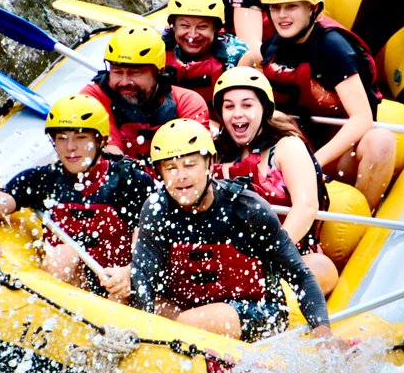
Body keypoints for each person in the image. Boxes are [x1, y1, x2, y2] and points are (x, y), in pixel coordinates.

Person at [130, 118, 334, 342]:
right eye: (171, 168)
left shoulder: (248, 208)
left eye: (190, 164)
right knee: (126, 300)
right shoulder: (156, 209)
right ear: (160, 173)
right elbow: (143, 279)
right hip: (189, 307)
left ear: (209, 165)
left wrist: (323, 336)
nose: (181, 177)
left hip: (257, 310)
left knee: (193, 322)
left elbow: (300, 276)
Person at [0, 94, 152, 301]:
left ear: (101, 141)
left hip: (120, 289)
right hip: (67, 288)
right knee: (64, 255)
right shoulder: (42, 180)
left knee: (118, 285)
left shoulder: (131, 182)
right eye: (62, 138)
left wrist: (126, 273)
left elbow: (149, 250)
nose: (70, 147)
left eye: (80, 137)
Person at [259, 0, 397, 211]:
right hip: (295, 145)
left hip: (337, 153)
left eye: (291, 6)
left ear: (313, 9)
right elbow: (250, 62)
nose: (281, 15)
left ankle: (364, 214)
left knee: (381, 141)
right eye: (276, 7)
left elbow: (362, 119)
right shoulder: (273, 46)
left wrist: (312, 162)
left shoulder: (332, 48)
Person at [212, 67, 338, 296]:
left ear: (264, 109)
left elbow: (306, 207)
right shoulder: (215, 154)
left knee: (320, 267)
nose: (237, 113)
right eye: (229, 106)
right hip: (231, 259)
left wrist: (268, 257)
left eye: (247, 105)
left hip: (287, 253)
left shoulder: (286, 146)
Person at [80, 27, 210, 161]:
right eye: (117, 72)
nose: (125, 82)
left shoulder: (187, 102)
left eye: (135, 73)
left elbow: (194, 163)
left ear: (158, 71)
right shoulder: (92, 99)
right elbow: (111, 156)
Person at [161, 0, 248, 106]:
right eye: (184, 26)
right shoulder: (156, 49)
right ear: (173, 26)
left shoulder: (237, 54)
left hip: (215, 122)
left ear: (216, 28)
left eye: (202, 27)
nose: (192, 35)